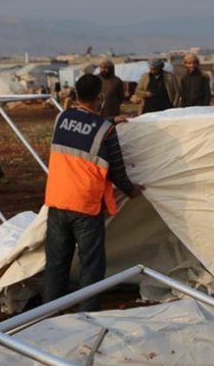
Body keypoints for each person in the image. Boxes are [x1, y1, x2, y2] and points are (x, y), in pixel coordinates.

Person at [43, 74, 142, 312]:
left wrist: (111, 120)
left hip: (57, 200)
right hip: (86, 206)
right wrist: (132, 191)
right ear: (100, 96)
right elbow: (117, 171)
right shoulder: (105, 130)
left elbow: (82, 127)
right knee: (91, 264)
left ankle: (46, 313)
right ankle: (87, 314)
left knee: (56, 262)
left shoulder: (61, 118)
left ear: (76, 94)